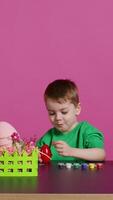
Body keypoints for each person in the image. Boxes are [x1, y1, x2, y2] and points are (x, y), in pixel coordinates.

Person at [37, 79, 105, 163]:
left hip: (83, 176)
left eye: (64, 112)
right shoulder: (48, 137)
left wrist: (71, 151)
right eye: (52, 113)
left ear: (77, 109)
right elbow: (34, 152)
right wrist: (36, 156)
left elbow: (100, 154)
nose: (58, 118)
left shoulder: (86, 131)